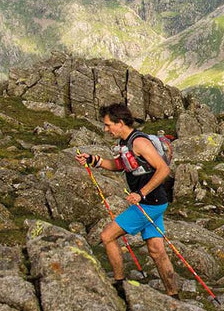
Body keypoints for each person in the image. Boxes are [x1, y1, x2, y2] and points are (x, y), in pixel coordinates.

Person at [76, 103, 178, 298]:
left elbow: (163, 169)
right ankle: (173, 295)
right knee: (156, 250)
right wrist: (94, 160)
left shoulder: (139, 142)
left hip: (149, 203)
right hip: (154, 202)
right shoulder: (125, 143)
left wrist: (141, 193)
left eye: (108, 125)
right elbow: (120, 165)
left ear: (120, 123)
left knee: (107, 236)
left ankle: (120, 286)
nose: (106, 129)